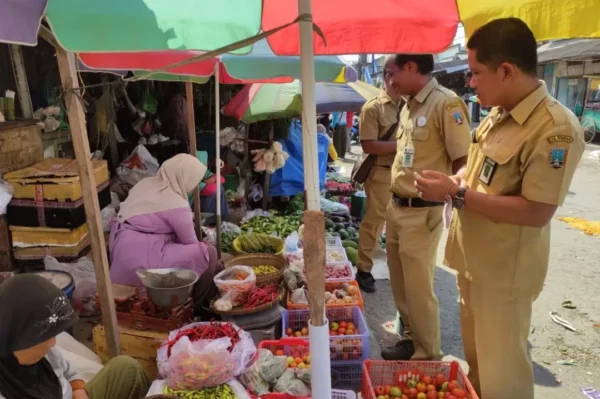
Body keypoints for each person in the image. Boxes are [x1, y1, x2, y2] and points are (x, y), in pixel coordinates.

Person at [414, 18, 585, 399]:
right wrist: (456, 181)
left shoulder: (554, 128)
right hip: (474, 263)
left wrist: (455, 196)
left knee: (502, 379)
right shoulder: (498, 115)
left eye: (476, 73)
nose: (470, 82)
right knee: (478, 370)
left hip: (504, 275)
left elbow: (536, 211)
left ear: (505, 71)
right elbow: (476, 170)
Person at [382, 54, 471, 361]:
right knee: (400, 282)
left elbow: (464, 161)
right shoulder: (408, 105)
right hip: (397, 206)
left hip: (422, 211)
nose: (390, 80)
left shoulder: (446, 104)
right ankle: (410, 338)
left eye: (393, 72)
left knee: (418, 288)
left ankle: (427, 352)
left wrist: (452, 188)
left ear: (411, 67)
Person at [0, 274, 151, 399]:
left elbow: (69, 372)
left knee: (127, 369)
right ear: (20, 336)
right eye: (45, 337)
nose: (52, 343)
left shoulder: (46, 355)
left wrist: (79, 392)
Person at [109, 153, 222, 312]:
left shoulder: (144, 184)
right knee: (208, 254)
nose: (195, 186)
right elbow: (190, 243)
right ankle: (197, 306)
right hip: (144, 265)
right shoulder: (176, 204)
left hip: (121, 254)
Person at [355, 72, 403, 293]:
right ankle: (364, 269)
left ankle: (397, 266)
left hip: (403, 173)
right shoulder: (373, 108)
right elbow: (369, 146)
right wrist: (403, 145)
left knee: (400, 221)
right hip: (381, 173)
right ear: (389, 76)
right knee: (374, 222)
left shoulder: (411, 105)